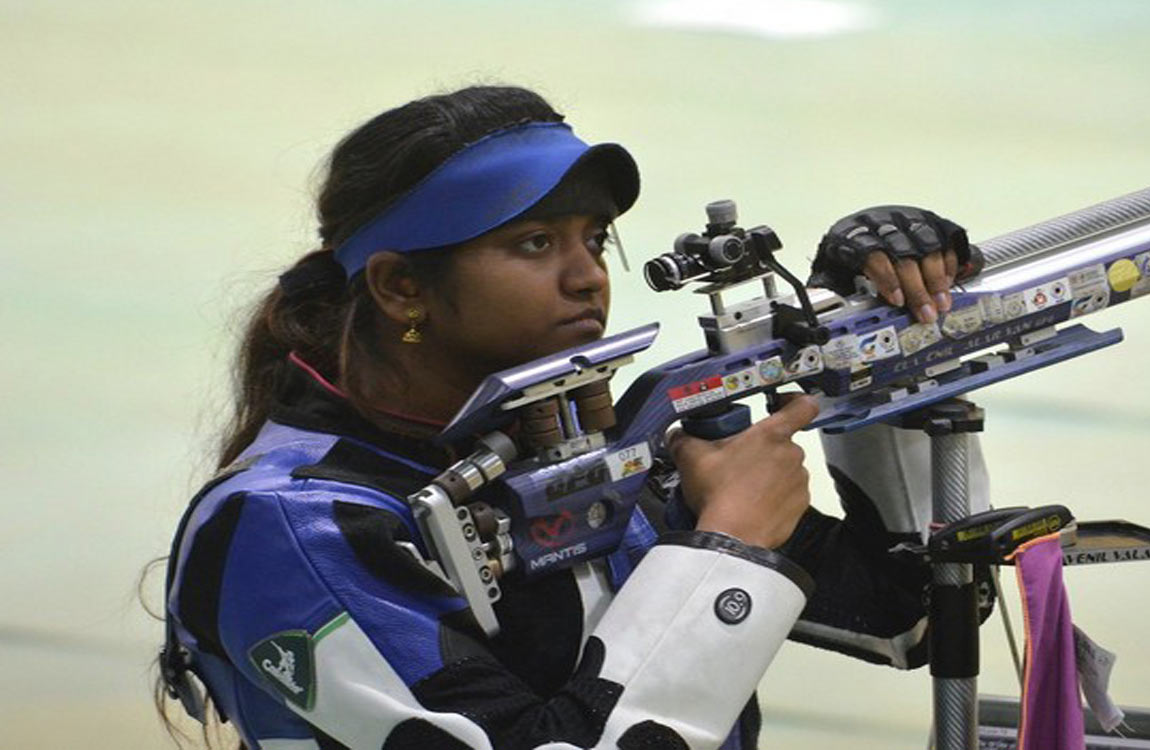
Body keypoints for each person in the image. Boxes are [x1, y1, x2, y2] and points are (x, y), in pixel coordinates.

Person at [159, 85, 986, 750]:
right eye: (534, 243)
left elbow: (913, 616)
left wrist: (877, 353)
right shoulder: (287, 527)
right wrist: (728, 545)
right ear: (401, 287)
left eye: (594, 238)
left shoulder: (586, 457)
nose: (588, 276)